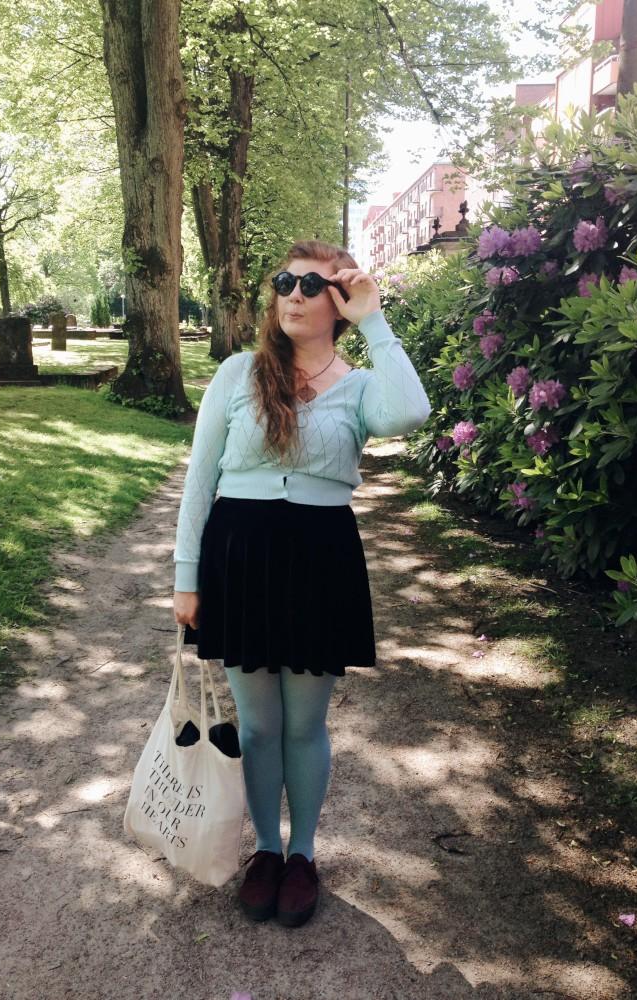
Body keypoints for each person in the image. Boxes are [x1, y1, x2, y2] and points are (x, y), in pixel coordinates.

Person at [172, 239, 431, 928]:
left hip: (319, 559)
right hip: (241, 558)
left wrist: (376, 320)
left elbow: (411, 412)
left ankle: (303, 855)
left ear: (338, 304)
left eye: (312, 286)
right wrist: (186, 576)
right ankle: (265, 850)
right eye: (285, 282)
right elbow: (200, 479)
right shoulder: (238, 372)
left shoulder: (360, 385)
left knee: (304, 724)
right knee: (259, 726)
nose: (293, 294)